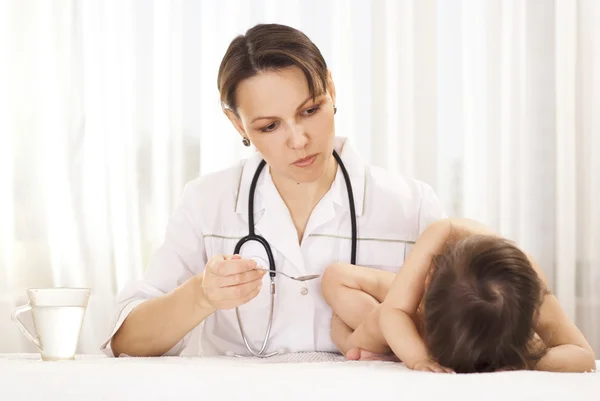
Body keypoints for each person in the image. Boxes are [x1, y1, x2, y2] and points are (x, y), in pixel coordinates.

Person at [100, 23, 446, 358]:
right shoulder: (207, 202)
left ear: (332, 90)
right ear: (238, 124)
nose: (299, 141)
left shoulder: (411, 207)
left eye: (311, 110)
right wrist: (201, 297)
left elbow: (472, 324)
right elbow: (126, 340)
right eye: (270, 126)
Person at [322, 218, 596, 373]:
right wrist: (418, 358)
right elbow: (394, 313)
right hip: (413, 301)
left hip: (464, 318)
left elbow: (582, 355)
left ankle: (360, 344)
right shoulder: (438, 239)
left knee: (381, 325)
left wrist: (525, 361)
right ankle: (345, 338)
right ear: (428, 281)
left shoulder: (525, 295)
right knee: (343, 285)